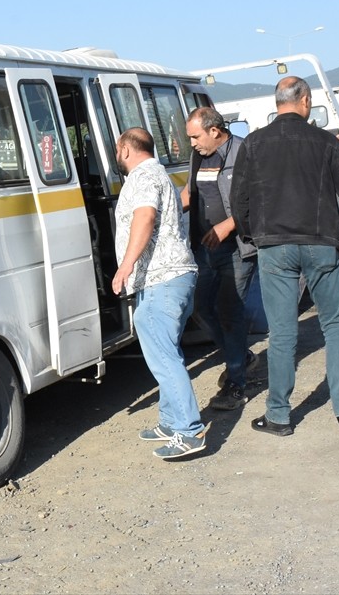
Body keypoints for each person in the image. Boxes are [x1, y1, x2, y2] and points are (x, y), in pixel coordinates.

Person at [230, 77, 339, 436]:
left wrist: (254, 234)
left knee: (282, 334)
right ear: (305, 101)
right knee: (336, 325)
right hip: (319, 244)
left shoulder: (253, 143)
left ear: (278, 102)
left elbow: (239, 202)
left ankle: (279, 416)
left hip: (274, 247)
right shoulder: (326, 142)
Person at [111, 127, 208, 460]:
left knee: (164, 357)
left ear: (125, 149)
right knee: (168, 352)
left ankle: (188, 431)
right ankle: (170, 421)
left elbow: (146, 217)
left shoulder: (142, 177)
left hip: (162, 279)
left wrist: (125, 267)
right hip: (170, 278)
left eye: (116, 149)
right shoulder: (158, 173)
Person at [181, 106, 265, 411]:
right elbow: (192, 193)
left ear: (215, 130)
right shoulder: (198, 156)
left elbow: (260, 200)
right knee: (201, 307)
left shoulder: (244, 152)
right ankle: (240, 357)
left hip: (237, 249)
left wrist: (228, 225)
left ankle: (236, 383)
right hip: (206, 248)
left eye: (195, 136)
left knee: (230, 311)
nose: (192, 143)